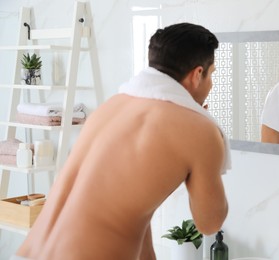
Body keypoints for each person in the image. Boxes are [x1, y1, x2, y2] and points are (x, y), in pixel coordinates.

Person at [15, 23, 230, 260]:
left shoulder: (112, 107)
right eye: (212, 74)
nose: (211, 84)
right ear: (198, 74)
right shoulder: (199, 129)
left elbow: (136, 210)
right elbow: (210, 223)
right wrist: (208, 145)